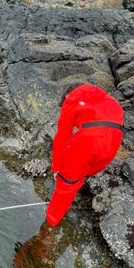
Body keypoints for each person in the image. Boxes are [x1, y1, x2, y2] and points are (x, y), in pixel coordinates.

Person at [46, 82, 124, 227]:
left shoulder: (71, 101)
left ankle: (50, 224)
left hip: (89, 139)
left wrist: (57, 168)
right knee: (86, 171)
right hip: (114, 142)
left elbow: (62, 137)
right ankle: (78, 182)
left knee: (66, 183)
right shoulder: (110, 100)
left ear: (68, 95)